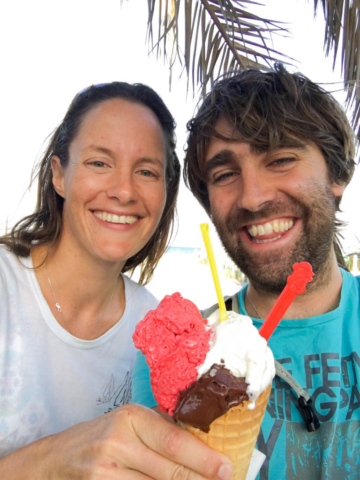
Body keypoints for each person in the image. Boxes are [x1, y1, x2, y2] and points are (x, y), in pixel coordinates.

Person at [132, 64, 360, 479]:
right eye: (225, 174)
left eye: (281, 159)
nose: (253, 198)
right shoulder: (174, 363)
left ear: (337, 174)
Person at [0, 82, 234, 480]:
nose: (124, 191)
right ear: (59, 175)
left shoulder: (156, 328)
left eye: (146, 171)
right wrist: (50, 462)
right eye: (99, 163)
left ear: (164, 194)